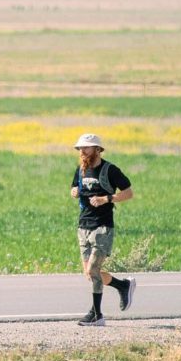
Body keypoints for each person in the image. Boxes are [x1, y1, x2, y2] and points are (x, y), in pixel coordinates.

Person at [70, 133, 135, 327]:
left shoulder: (110, 170)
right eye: (80, 148)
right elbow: (74, 187)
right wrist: (73, 191)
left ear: (98, 149)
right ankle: (123, 285)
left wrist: (106, 199)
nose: (82, 151)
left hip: (102, 226)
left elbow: (128, 193)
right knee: (90, 273)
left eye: (86, 148)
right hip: (83, 226)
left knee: (93, 269)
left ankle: (97, 314)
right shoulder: (80, 170)